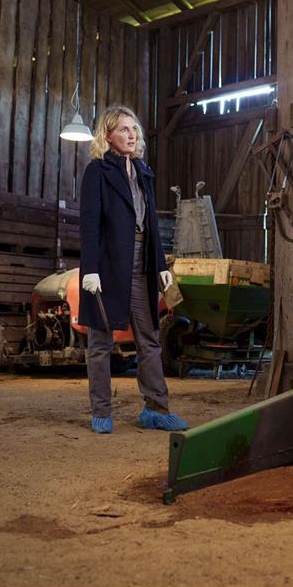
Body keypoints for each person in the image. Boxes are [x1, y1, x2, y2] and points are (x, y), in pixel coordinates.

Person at [78, 105, 189, 435]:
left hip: (142, 263)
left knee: (149, 338)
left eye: (134, 129)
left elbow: (150, 222)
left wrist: (161, 265)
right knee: (101, 341)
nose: (132, 135)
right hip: (109, 263)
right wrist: (90, 269)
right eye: (124, 129)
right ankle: (101, 411)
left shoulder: (143, 172)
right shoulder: (97, 172)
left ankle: (156, 409)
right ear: (108, 135)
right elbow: (89, 224)